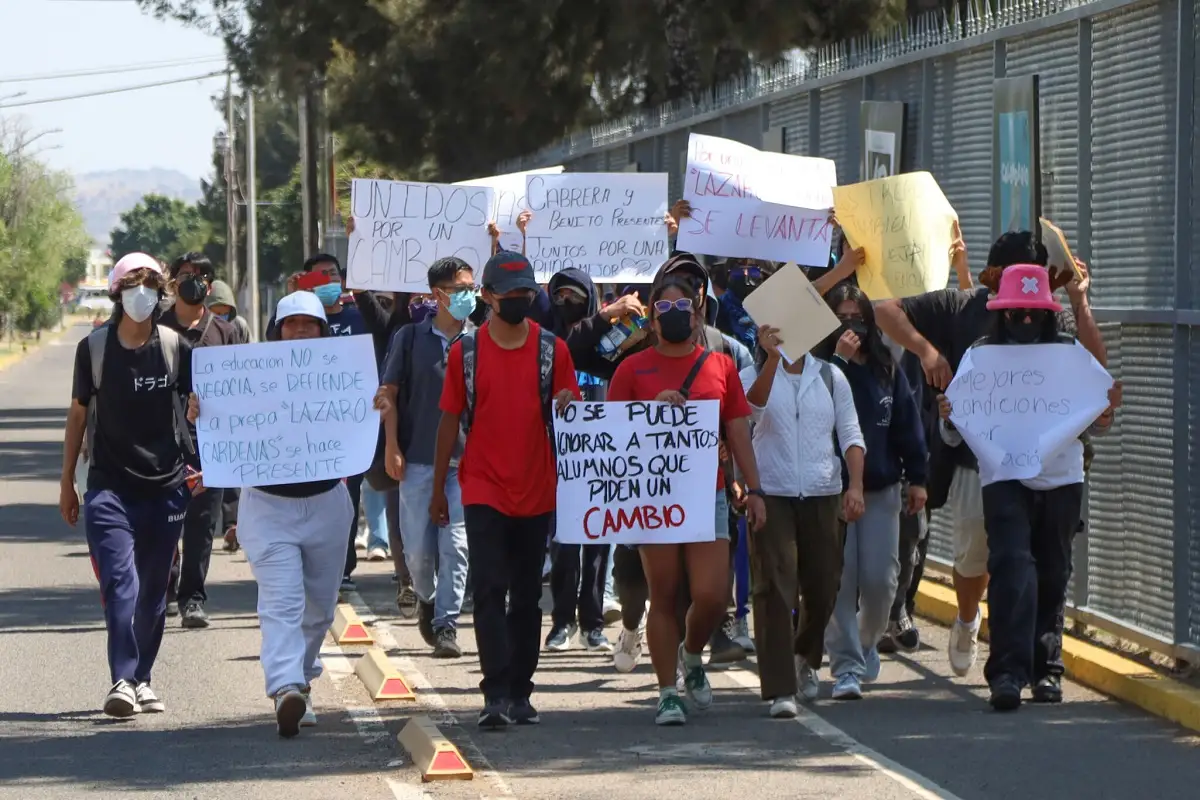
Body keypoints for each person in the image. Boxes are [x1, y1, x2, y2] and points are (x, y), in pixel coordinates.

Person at [875, 229, 1104, 678]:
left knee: (1025, 561)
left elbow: (1095, 371)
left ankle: (1019, 662)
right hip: (975, 459)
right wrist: (927, 352)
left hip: (1042, 466)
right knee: (974, 557)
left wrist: (1079, 301)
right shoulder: (959, 308)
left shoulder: (1051, 317)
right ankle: (967, 617)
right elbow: (885, 310)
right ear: (994, 275)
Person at [935, 264, 1119, 710]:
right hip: (1003, 478)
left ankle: (1046, 670)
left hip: (1061, 479)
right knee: (1011, 566)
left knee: (1053, 571)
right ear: (1002, 313)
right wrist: (949, 417)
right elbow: (956, 430)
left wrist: (1103, 413)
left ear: (1049, 314)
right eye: (1017, 312)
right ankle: (1007, 674)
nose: (1025, 319)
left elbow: (1096, 419)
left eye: (1033, 312)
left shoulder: (1069, 353)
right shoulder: (981, 356)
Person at [189, 290, 355, 736]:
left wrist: (376, 406)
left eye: (310, 324)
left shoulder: (345, 375)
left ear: (323, 331)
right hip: (267, 506)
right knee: (282, 602)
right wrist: (202, 410)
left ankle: (302, 681)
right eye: (291, 324)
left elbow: (363, 424)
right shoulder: (251, 375)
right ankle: (285, 687)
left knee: (319, 610)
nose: (300, 331)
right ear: (276, 331)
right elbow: (226, 422)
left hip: (327, 504)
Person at [607, 276, 767, 726]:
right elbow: (612, 435)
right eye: (664, 308)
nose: (675, 315)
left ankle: (691, 652)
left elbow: (738, 430)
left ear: (697, 315)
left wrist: (754, 490)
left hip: (707, 493)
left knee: (712, 596)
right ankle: (666, 693)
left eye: (683, 307)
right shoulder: (631, 370)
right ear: (652, 320)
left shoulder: (721, 366)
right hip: (653, 497)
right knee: (663, 593)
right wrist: (651, 411)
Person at [433, 250, 580, 729]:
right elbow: (449, 421)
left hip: (536, 489)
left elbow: (575, 417)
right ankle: (494, 692)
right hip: (482, 488)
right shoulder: (466, 353)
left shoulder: (552, 351)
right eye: (509, 293)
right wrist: (437, 489)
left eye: (526, 293)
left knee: (526, 594)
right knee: (489, 587)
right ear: (488, 297)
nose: (519, 299)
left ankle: (521, 692)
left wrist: (567, 402)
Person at [59, 252, 203, 717]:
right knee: (121, 584)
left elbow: (201, 410)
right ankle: (121, 679)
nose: (141, 296)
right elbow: (78, 415)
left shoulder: (175, 348)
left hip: (166, 488)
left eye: (150, 287)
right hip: (109, 489)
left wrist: (203, 460)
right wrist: (67, 482)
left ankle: (142, 678)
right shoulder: (95, 349)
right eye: (132, 287)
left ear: (162, 294)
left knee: (154, 591)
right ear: (116, 294)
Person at [741, 313, 866, 718]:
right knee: (774, 589)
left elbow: (851, 434)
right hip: (771, 494)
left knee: (824, 584)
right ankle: (781, 689)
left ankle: (805, 657)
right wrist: (771, 361)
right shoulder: (751, 374)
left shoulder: (831, 376)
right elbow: (749, 412)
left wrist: (855, 485)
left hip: (823, 493)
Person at [822, 283, 927, 701]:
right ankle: (846, 665)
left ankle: (867, 643)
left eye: (858, 317)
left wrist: (918, 477)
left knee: (881, 581)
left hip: (881, 490)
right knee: (841, 580)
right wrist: (839, 362)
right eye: (841, 318)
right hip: (832, 492)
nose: (851, 325)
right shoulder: (822, 369)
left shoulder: (887, 369)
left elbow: (907, 425)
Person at [377, 257, 478, 659]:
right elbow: (389, 393)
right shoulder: (409, 337)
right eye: (461, 289)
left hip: (465, 465)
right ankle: (426, 597)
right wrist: (392, 445)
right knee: (418, 550)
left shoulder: (481, 340)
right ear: (438, 294)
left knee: (456, 544)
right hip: (417, 460)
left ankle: (446, 624)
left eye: (472, 287)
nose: (469, 295)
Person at [542, 268, 646, 654]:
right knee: (564, 544)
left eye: (575, 295)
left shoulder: (613, 340)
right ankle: (562, 622)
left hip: (605, 457)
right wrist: (604, 315)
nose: (566, 302)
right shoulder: (549, 340)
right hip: (562, 457)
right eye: (559, 295)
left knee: (599, 545)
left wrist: (633, 321)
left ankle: (592, 623)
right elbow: (565, 347)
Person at [159, 253, 240, 629]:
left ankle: (192, 598)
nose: (192, 280)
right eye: (185, 275)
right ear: (172, 282)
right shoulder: (155, 328)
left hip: (211, 443)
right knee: (162, 520)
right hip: (160, 441)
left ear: (210, 284)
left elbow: (242, 387)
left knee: (201, 522)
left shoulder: (225, 332)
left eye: (200, 275)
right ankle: (163, 588)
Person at [205, 279, 252, 344]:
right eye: (217, 314)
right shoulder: (201, 330)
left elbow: (251, 348)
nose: (221, 318)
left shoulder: (239, 326)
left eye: (226, 313)